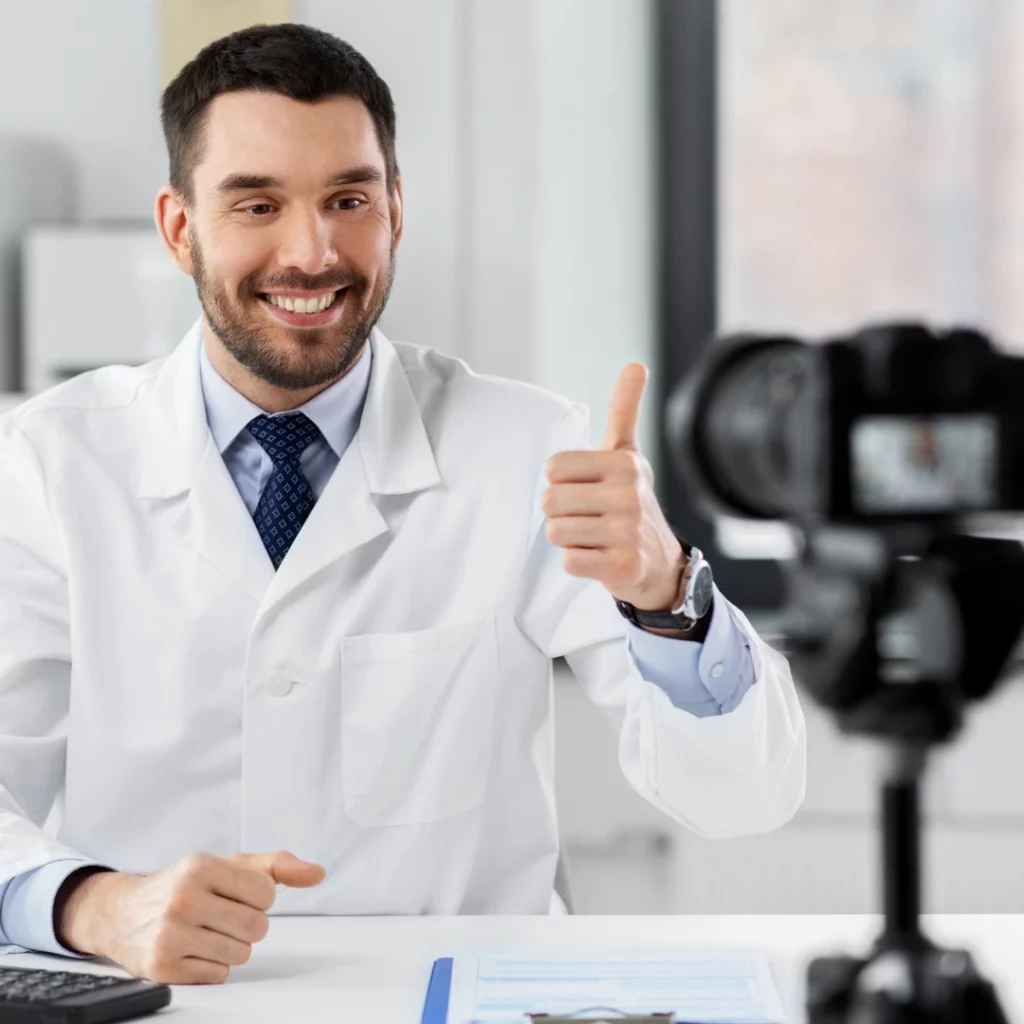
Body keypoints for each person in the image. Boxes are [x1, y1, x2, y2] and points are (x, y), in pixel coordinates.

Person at [0, 24, 805, 985]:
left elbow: (744, 796)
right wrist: (90, 903)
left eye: (350, 199)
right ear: (180, 228)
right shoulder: (50, 464)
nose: (313, 251)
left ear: (396, 211)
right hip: (167, 1000)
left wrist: (666, 592)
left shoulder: (528, 448)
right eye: (257, 203)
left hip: (462, 992)